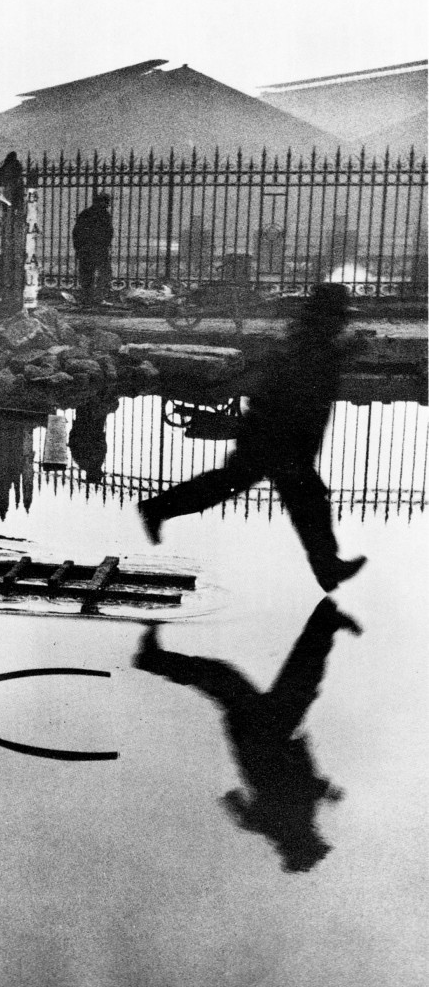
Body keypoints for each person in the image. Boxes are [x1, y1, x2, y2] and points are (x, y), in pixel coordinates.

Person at [138, 283, 367, 593]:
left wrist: (345, 350)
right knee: (306, 499)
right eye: (339, 316)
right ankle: (327, 567)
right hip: (277, 438)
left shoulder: (313, 342)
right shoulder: (307, 347)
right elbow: (281, 377)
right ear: (325, 317)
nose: (343, 322)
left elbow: (312, 366)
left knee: (238, 485)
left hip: (279, 437)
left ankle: (158, 508)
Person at [134, 599, 361, 872]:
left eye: (316, 840)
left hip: (261, 738)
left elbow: (290, 792)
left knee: (263, 680)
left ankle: (151, 658)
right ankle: (325, 621)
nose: (318, 834)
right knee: (291, 680)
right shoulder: (284, 824)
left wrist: (325, 790)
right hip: (267, 735)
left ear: (304, 841)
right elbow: (248, 805)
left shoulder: (289, 823)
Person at [72, 193, 113, 307]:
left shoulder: (85, 214)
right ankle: (97, 298)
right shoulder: (103, 215)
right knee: (102, 274)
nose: (107, 205)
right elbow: (108, 232)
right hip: (97, 249)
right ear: (100, 202)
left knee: (88, 275)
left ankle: (88, 299)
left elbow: (76, 232)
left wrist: (78, 248)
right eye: (106, 202)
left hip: (88, 250)